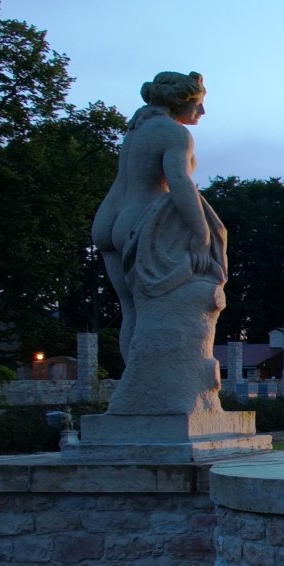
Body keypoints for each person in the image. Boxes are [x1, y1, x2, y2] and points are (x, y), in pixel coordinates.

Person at [91, 71, 230, 416]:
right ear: (181, 101)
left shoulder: (138, 130)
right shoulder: (173, 132)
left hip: (110, 217)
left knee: (133, 311)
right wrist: (201, 235)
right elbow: (180, 181)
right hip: (141, 218)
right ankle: (152, 392)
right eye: (199, 104)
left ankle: (136, 391)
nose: (202, 113)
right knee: (152, 310)